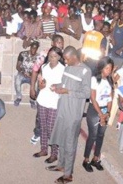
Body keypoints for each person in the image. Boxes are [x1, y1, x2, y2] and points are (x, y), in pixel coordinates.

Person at [47, 46, 92, 184]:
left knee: (70, 143)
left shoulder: (85, 71)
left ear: (73, 57)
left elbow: (86, 93)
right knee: (61, 138)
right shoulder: (67, 68)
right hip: (62, 109)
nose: (65, 61)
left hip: (73, 114)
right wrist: (56, 86)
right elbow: (64, 83)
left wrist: (67, 92)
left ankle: (68, 175)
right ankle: (61, 165)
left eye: (66, 59)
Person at [33, 46, 64, 163]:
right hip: (42, 99)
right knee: (43, 126)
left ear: (59, 57)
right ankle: (44, 149)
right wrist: (41, 84)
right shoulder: (44, 67)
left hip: (54, 101)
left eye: (55, 56)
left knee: (51, 128)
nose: (52, 58)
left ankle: (54, 153)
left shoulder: (63, 69)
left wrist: (57, 85)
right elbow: (41, 84)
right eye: (50, 56)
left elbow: (65, 85)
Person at [82, 57, 114, 173]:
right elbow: (93, 99)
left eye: (110, 68)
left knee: (101, 135)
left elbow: (110, 99)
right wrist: (100, 114)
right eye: (107, 68)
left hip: (104, 110)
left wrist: (108, 113)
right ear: (101, 68)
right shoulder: (95, 80)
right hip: (94, 110)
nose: (109, 70)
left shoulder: (110, 81)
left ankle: (96, 158)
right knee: (93, 135)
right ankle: (86, 160)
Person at [14, 40, 41, 107]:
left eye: (35, 48)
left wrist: (33, 75)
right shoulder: (23, 54)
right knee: (17, 79)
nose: (33, 49)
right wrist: (23, 72)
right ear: (30, 47)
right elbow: (17, 66)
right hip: (22, 73)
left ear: (37, 48)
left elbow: (39, 70)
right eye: (32, 47)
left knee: (38, 83)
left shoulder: (39, 57)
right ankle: (19, 97)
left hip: (33, 76)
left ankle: (32, 99)